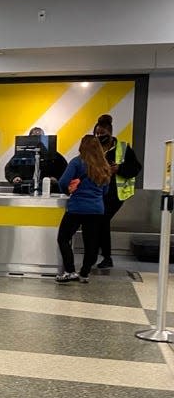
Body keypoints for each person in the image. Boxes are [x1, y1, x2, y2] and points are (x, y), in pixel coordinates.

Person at [55, 134, 112, 283]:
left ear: (82, 146)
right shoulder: (104, 166)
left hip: (77, 208)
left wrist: (68, 191)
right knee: (91, 243)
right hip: (96, 210)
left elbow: (63, 182)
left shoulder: (77, 162)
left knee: (63, 238)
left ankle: (70, 271)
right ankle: (85, 274)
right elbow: (106, 190)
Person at [92, 114, 142, 268]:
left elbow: (136, 168)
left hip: (115, 194)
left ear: (110, 133)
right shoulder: (93, 148)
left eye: (102, 134)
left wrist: (119, 169)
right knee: (98, 222)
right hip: (96, 192)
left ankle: (104, 256)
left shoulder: (123, 148)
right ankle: (101, 256)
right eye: (97, 134)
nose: (99, 136)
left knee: (102, 220)